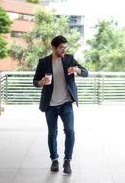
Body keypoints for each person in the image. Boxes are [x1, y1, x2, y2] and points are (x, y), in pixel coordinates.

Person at [33, 35, 88, 174]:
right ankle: (54, 160)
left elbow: (86, 73)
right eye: (61, 48)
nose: (64, 50)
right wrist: (41, 82)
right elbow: (35, 81)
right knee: (52, 133)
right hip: (50, 105)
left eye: (65, 47)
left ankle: (67, 161)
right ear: (54, 48)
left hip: (66, 104)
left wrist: (77, 70)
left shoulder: (69, 59)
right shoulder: (44, 62)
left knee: (70, 131)